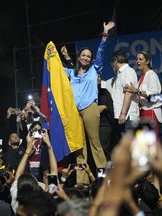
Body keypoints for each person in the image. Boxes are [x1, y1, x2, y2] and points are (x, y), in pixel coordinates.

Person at [60, 21, 115, 184]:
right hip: (74, 112)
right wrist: (50, 55)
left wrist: (105, 33)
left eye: (88, 56)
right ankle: (82, 182)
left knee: (95, 144)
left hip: (90, 109)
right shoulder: (71, 73)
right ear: (79, 57)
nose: (85, 58)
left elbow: (101, 51)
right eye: (83, 55)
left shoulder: (94, 69)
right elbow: (56, 69)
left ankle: (104, 179)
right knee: (79, 147)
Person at [104, 50, 139, 146]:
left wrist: (123, 113)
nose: (113, 65)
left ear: (115, 60)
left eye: (113, 62)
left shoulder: (127, 71)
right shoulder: (120, 74)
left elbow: (129, 93)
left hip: (128, 117)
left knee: (130, 146)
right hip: (122, 117)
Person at [124, 50, 162, 135]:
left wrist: (137, 91)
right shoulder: (141, 77)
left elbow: (157, 97)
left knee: (152, 144)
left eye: (140, 59)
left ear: (147, 61)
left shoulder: (152, 75)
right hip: (142, 113)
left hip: (151, 112)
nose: (137, 61)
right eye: (137, 59)